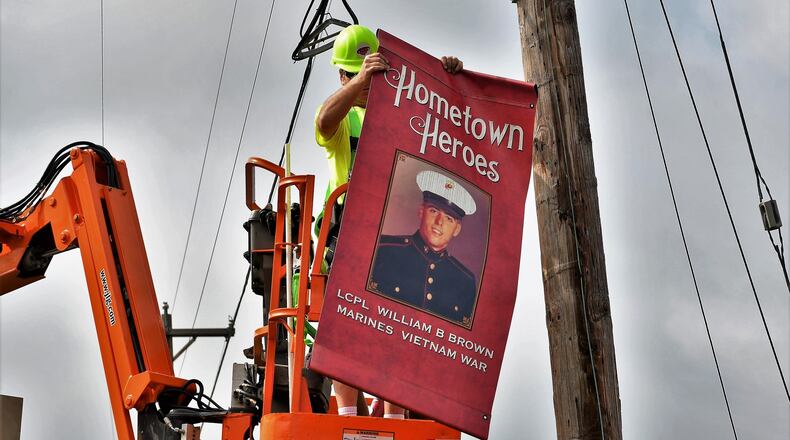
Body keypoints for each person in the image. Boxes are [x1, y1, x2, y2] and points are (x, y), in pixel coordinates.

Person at [314, 24, 463, 420]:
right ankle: (348, 413)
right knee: (344, 328)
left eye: (373, 74)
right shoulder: (345, 121)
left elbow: (446, 126)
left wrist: (447, 80)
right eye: (357, 74)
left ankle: (393, 412)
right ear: (343, 76)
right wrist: (360, 81)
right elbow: (323, 122)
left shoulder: (401, 112)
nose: (367, 84)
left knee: (395, 325)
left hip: (394, 234)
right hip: (348, 233)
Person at [369, 170, 477, 326]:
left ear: (457, 229)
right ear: (421, 211)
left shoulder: (465, 281)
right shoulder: (382, 249)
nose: (440, 222)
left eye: (449, 218)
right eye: (434, 211)